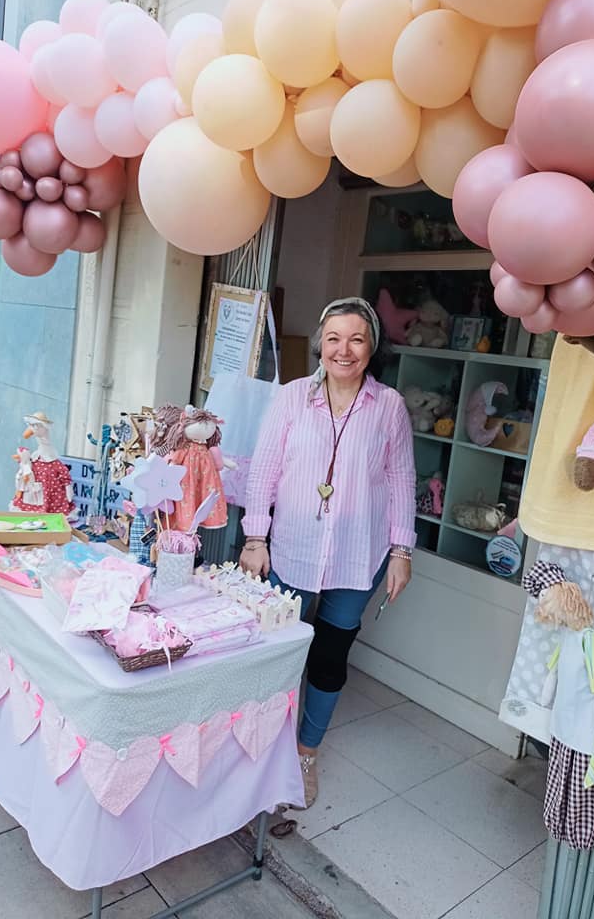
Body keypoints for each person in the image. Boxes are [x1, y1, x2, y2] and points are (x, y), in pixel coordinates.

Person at [239, 297, 416, 807]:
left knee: (330, 657)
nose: (344, 350)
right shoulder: (294, 397)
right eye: (334, 338)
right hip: (290, 550)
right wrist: (255, 538)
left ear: (371, 347)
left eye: (356, 339)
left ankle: (305, 752)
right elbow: (264, 469)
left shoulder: (389, 406)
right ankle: (261, 749)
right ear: (321, 343)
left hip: (357, 558)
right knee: (275, 653)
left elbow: (403, 479)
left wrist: (402, 549)